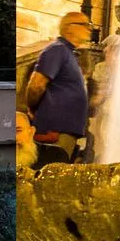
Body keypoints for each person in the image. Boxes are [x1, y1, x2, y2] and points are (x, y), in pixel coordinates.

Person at [22, 11, 93, 169]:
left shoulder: (69, 54)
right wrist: (33, 109)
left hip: (65, 131)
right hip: (54, 132)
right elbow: (36, 85)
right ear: (69, 28)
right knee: (48, 173)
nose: (89, 29)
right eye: (84, 24)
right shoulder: (57, 50)